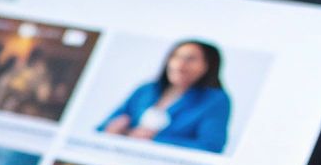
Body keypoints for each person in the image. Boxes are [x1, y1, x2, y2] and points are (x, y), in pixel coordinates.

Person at [99, 39, 232, 152]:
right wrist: (113, 129)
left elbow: (211, 147)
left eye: (190, 59)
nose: (180, 65)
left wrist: (155, 139)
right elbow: (102, 127)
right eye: (176, 57)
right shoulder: (146, 90)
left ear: (208, 66)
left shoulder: (215, 100)